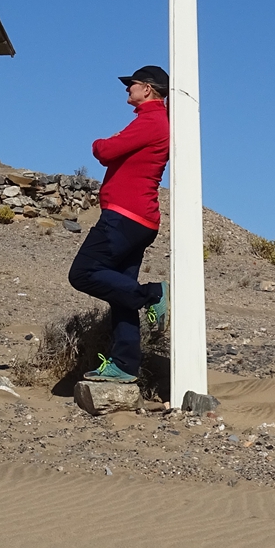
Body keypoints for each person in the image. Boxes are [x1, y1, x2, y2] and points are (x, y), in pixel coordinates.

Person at [68, 64, 171, 388]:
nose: (127, 89)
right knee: (120, 293)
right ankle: (125, 364)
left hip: (125, 216)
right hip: (137, 218)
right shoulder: (152, 121)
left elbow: (105, 150)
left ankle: (155, 293)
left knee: (83, 273)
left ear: (148, 89)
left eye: (132, 84)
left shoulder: (151, 121)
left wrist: (102, 142)